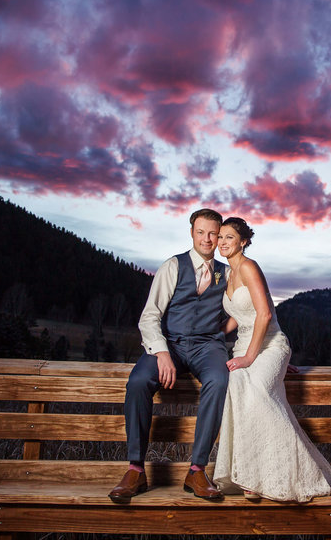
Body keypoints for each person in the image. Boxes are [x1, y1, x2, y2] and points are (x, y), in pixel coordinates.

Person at [213, 217, 331, 502]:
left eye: (229, 237)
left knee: (259, 393)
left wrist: (252, 356)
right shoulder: (226, 274)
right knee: (236, 382)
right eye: (220, 237)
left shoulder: (249, 267)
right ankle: (248, 475)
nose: (223, 242)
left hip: (270, 345)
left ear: (243, 241)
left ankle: (287, 475)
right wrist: (214, 336)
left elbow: (264, 315)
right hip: (243, 345)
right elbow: (238, 314)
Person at [109, 208, 230, 503]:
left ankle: (197, 470)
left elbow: (247, 313)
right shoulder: (173, 266)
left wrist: (269, 352)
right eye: (201, 232)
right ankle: (136, 469)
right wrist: (161, 352)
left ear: (219, 237)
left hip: (207, 347)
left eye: (213, 233)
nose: (207, 238)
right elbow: (150, 316)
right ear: (192, 233)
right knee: (138, 382)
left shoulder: (223, 273)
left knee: (219, 380)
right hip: (170, 344)